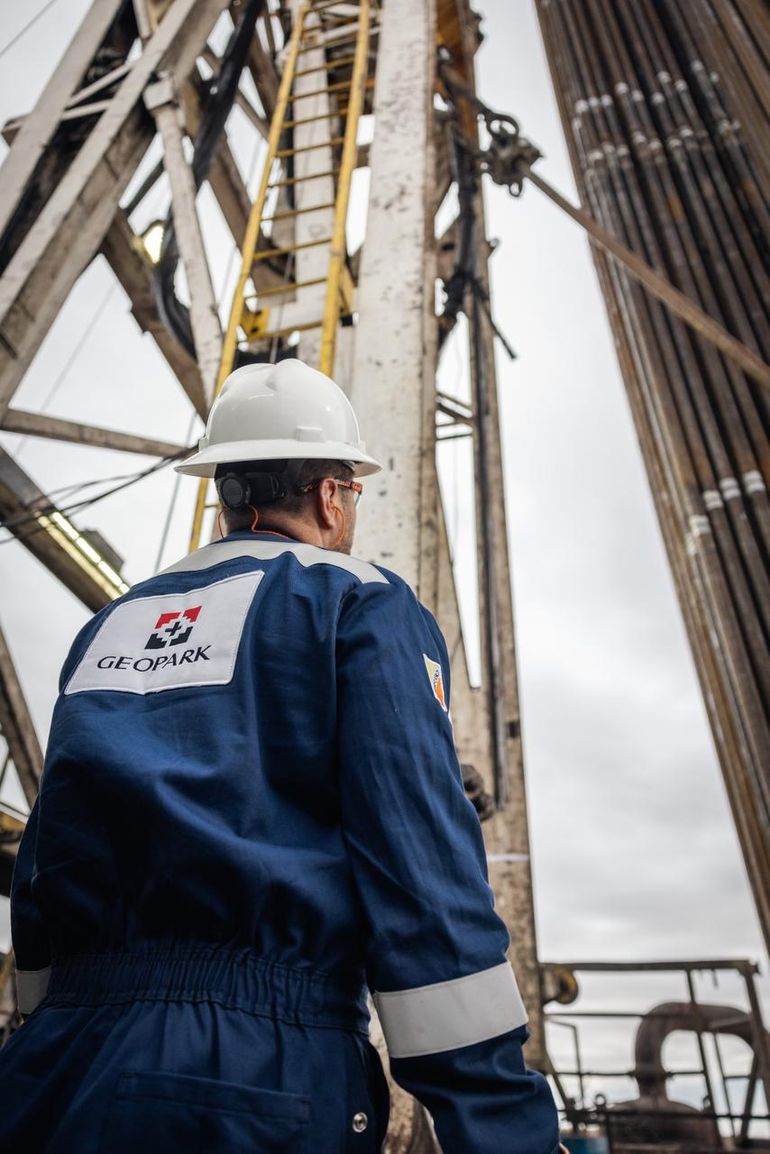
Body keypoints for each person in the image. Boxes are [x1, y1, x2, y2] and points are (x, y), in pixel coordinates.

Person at [0, 358, 559, 1153]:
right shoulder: (358, 602)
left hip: (55, 1070)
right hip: (256, 1078)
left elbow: (43, 859)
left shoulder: (111, 627)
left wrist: (46, 1020)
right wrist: (506, 1128)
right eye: (353, 491)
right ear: (331, 495)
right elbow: (423, 883)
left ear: (224, 493)